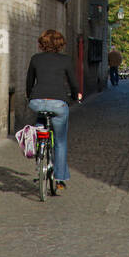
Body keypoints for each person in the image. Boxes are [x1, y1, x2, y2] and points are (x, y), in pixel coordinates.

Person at [26, 29, 81, 190]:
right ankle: (60, 178)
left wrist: (30, 96)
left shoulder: (35, 59)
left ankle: (39, 142)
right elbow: (73, 82)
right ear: (60, 44)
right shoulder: (65, 60)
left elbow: (29, 81)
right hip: (58, 103)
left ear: (42, 44)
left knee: (41, 117)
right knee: (60, 141)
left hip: (37, 101)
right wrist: (75, 95)